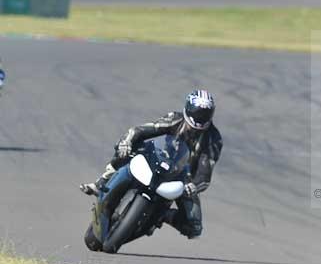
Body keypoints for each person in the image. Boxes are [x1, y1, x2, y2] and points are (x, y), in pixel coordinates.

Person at [80, 90, 222, 239]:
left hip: (182, 180)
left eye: (205, 114)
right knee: (125, 148)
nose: (200, 118)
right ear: (188, 108)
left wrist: (194, 186)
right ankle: (103, 180)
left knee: (195, 228)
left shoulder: (214, 139)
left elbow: (205, 174)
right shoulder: (174, 119)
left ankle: (163, 216)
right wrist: (127, 142)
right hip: (156, 161)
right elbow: (141, 130)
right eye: (197, 112)